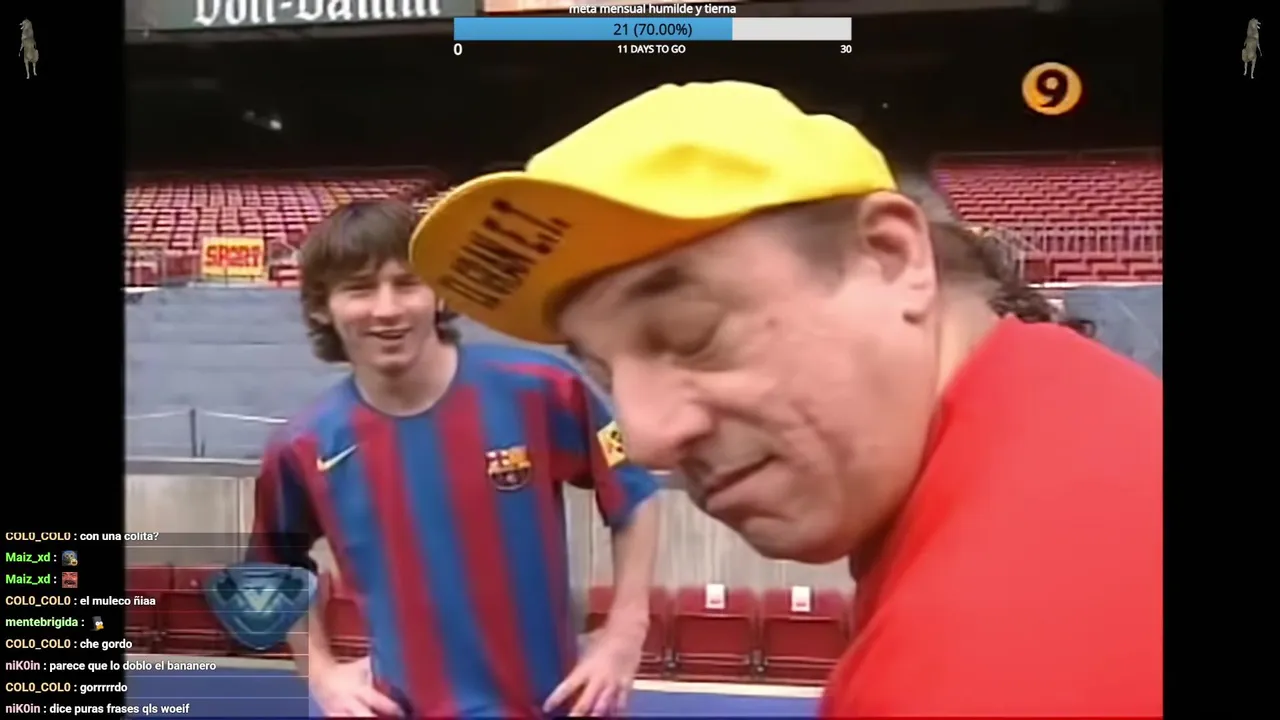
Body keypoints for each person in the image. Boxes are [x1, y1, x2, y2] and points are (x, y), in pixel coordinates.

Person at [407, 82, 1162, 716]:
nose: (645, 437)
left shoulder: (972, 667)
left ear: (892, 256)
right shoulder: (1081, 408)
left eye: (692, 332)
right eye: (605, 371)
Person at [245, 199, 662, 718]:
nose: (387, 308)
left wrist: (626, 631)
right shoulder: (303, 446)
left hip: (555, 706)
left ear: (439, 292)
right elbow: (270, 569)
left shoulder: (541, 389)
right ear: (320, 307)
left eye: (407, 283)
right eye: (360, 289)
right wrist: (322, 674)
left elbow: (634, 497)